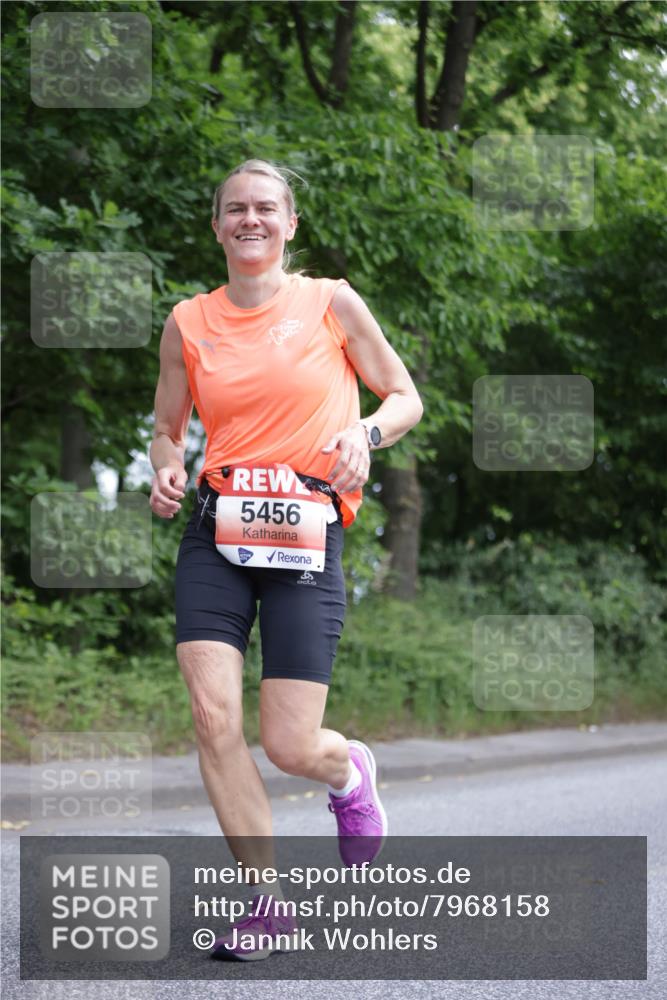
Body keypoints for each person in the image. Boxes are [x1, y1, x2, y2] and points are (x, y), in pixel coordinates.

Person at [149, 159, 423, 960]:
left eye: (265, 208)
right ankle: (263, 905)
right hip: (218, 532)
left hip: (306, 534)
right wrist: (168, 464)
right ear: (216, 225)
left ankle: (348, 774)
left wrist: (362, 436)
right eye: (234, 209)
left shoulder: (330, 301)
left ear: (290, 223)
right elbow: (167, 427)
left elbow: (403, 397)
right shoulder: (187, 321)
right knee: (212, 718)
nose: (250, 220)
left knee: (289, 745)